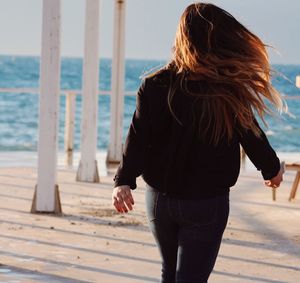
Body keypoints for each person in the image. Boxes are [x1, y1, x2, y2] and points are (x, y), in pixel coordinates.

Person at [111, 3, 284, 282]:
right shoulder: (227, 89)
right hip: (206, 203)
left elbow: (138, 137)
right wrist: (272, 169)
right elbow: (251, 136)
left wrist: (123, 181)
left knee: (172, 274)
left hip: (159, 202)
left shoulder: (155, 84)